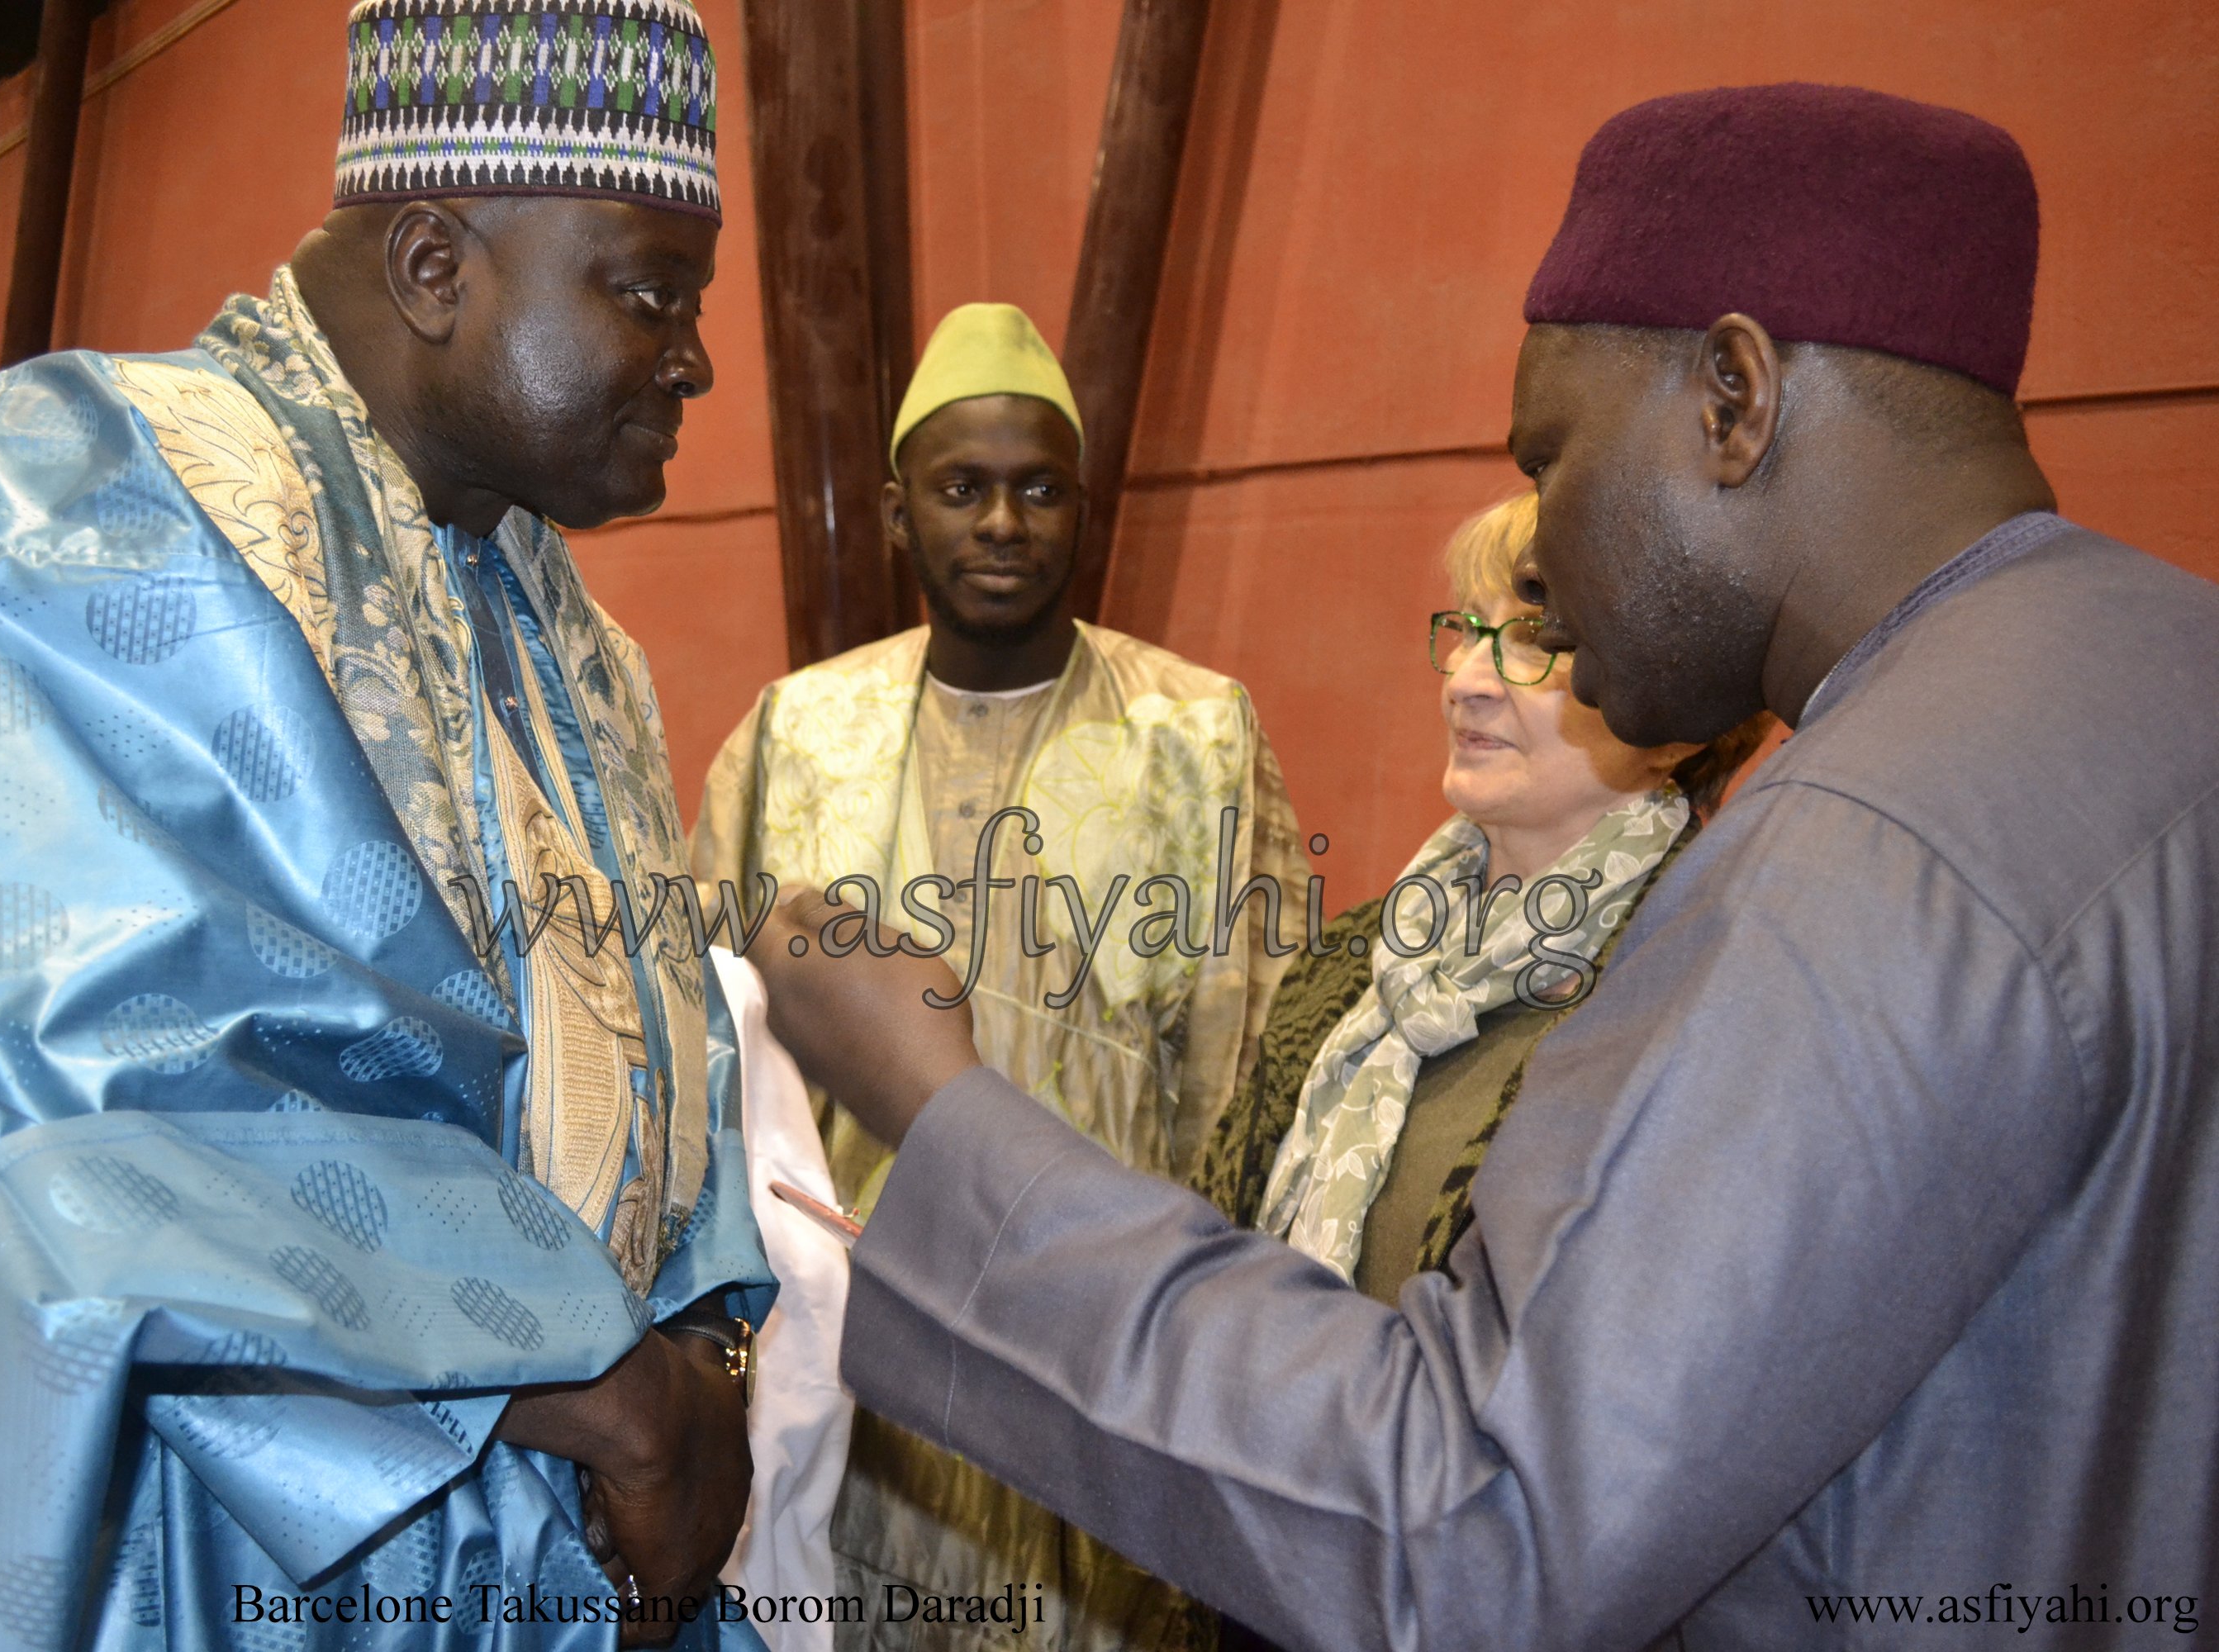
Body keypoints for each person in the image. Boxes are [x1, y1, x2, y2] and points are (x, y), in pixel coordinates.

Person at [749, 83, 2219, 1650]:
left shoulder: (1852, 865)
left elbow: (1468, 1528)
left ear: (1733, 399)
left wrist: (939, 1110)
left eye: (1553, 458)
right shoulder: (2162, 681)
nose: (1544, 570)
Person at [0, 5, 772, 1647]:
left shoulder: (564, 633)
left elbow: (666, 1073)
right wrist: (606, 1383)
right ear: (436, 264)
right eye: (648, 294)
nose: (697, 357)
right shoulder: (71, 517)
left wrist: (699, 1367)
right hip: (173, 1562)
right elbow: (110, 1150)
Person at [691, 302, 1307, 1651]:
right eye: (963, 490)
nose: (1004, 525)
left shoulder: (1190, 737)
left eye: (1040, 491)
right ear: (898, 511)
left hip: (1092, 1345)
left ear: (1084, 512)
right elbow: (707, 1049)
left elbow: (1247, 1078)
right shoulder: (799, 731)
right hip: (850, 1343)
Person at [1193, 491, 1772, 1295]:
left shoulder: (1685, 991)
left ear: (1678, 723)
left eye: (1537, 640)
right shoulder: (1349, 959)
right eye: (1467, 626)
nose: (1466, 679)